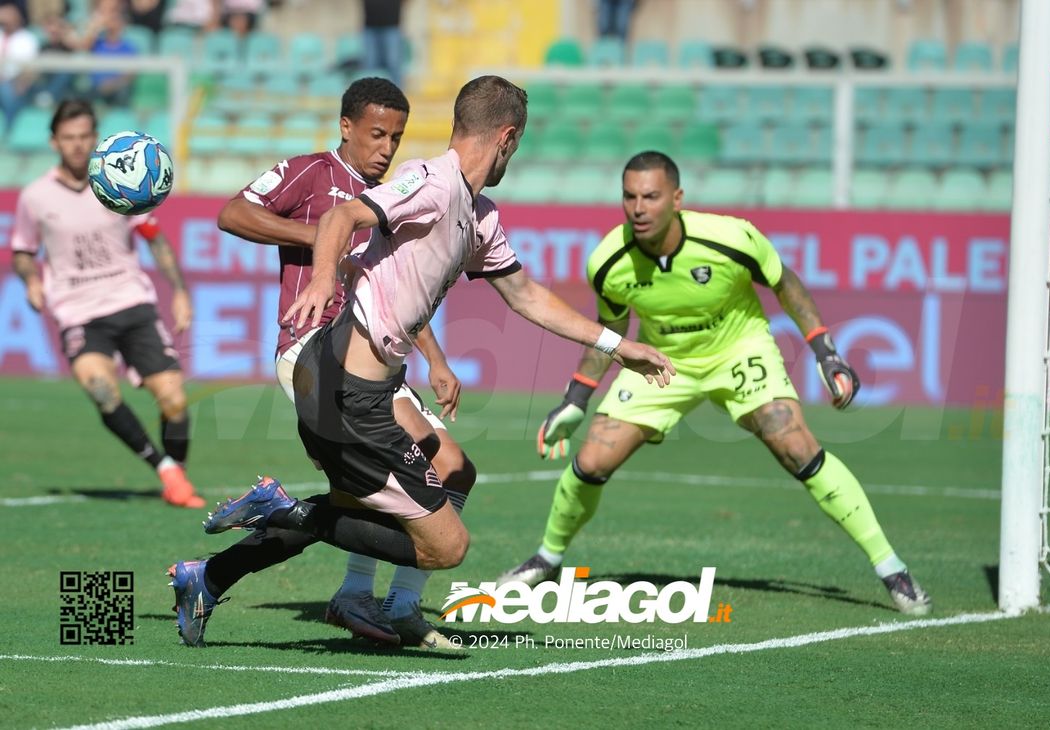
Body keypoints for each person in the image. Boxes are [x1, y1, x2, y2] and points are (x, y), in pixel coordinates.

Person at [168, 75, 675, 647]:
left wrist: (617, 345)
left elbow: (525, 295)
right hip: (341, 386)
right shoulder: (430, 181)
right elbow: (339, 218)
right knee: (445, 545)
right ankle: (305, 532)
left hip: (368, 386)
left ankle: (216, 576)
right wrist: (325, 278)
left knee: (420, 485)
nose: (387, 147)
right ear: (507, 138)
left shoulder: (478, 215)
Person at [496, 151, 931, 617]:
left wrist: (826, 352)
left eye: (651, 196)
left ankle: (891, 568)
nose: (639, 208)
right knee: (592, 459)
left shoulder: (731, 238)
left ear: (677, 199)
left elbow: (786, 284)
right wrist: (576, 398)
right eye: (630, 197)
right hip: (663, 361)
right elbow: (612, 331)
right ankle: (547, 558)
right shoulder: (608, 261)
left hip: (738, 350)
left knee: (794, 444)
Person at [216, 76, 473, 649]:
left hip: (372, 359)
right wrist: (321, 239)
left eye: (396, 138)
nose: (386, 148)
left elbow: (397, 297)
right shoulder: (312, 173)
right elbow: (232, 214)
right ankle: (386, 601)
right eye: (377, 134)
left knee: (433, 476)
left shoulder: (389, 201)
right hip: (315, 353)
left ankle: (220, 576)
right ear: (346, 126)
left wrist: (436, 359)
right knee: (431, 471)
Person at [11, 99, 204, 509]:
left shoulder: (121, 184)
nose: (77, 145)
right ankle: (166, 471)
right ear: (54, 141)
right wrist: (31, 280)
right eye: (69, 137)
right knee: (100, 388)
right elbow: (23, 251)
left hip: (131, 302)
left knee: (174, 400)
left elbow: (155, 239)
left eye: (84, 136)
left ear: (95, 139)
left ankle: (177, 470)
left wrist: (180, 291)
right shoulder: (35, 197)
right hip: (78, 311)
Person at [0, 3, 39, 131]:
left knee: (7, 92)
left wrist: (23, 82)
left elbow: (30, 67)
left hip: (15, 81)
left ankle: (9, 130)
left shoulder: (27, 39)